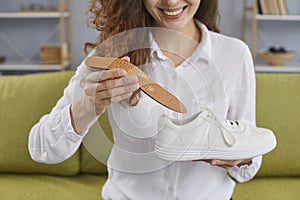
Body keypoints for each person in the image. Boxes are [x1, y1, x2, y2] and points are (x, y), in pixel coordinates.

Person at [28, 0, 262, 199]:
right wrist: (89, 105)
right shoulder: (112, 56)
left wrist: (240, 157)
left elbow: (248, 168)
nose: (170, 2)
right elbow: (41, 149)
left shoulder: (234, 55)